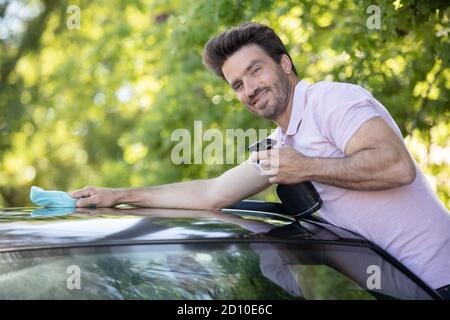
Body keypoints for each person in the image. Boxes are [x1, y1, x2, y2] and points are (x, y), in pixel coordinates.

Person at [69, 22, 450, 298]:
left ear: (284, 64)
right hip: (398, 289)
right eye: (237, 84)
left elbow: (396, 166)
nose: (249, 89)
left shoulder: (331, 100)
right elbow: (210, 194)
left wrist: (306, 166)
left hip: (441, 279)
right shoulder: (275, 146)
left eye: (255, 70)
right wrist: (116, 194)